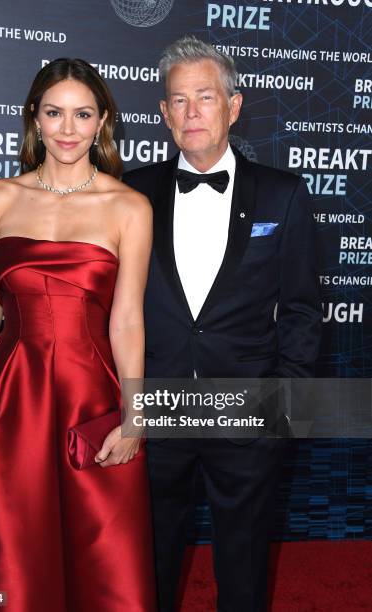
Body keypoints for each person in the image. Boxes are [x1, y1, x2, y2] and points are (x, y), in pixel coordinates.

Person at [0, 58, 157, 612]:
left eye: (82, 115)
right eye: (54, 113)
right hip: (13, 397)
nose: (67, 129)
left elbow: (127, 318)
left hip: (91, 395)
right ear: (34, 118)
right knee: (12, 539)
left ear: (102, 122)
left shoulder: (128, 207)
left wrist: (135, 414)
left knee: (102, 547)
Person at [123, 36, 322, 612]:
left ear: (232, 107)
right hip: (154, 404)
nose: (191, 113)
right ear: (163, 113)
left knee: (244, 563)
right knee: (149, 560)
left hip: (247, 406)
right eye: (178, 100)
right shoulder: (133, 193)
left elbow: (304, 310)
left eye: (205, 97)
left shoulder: (283, 196)